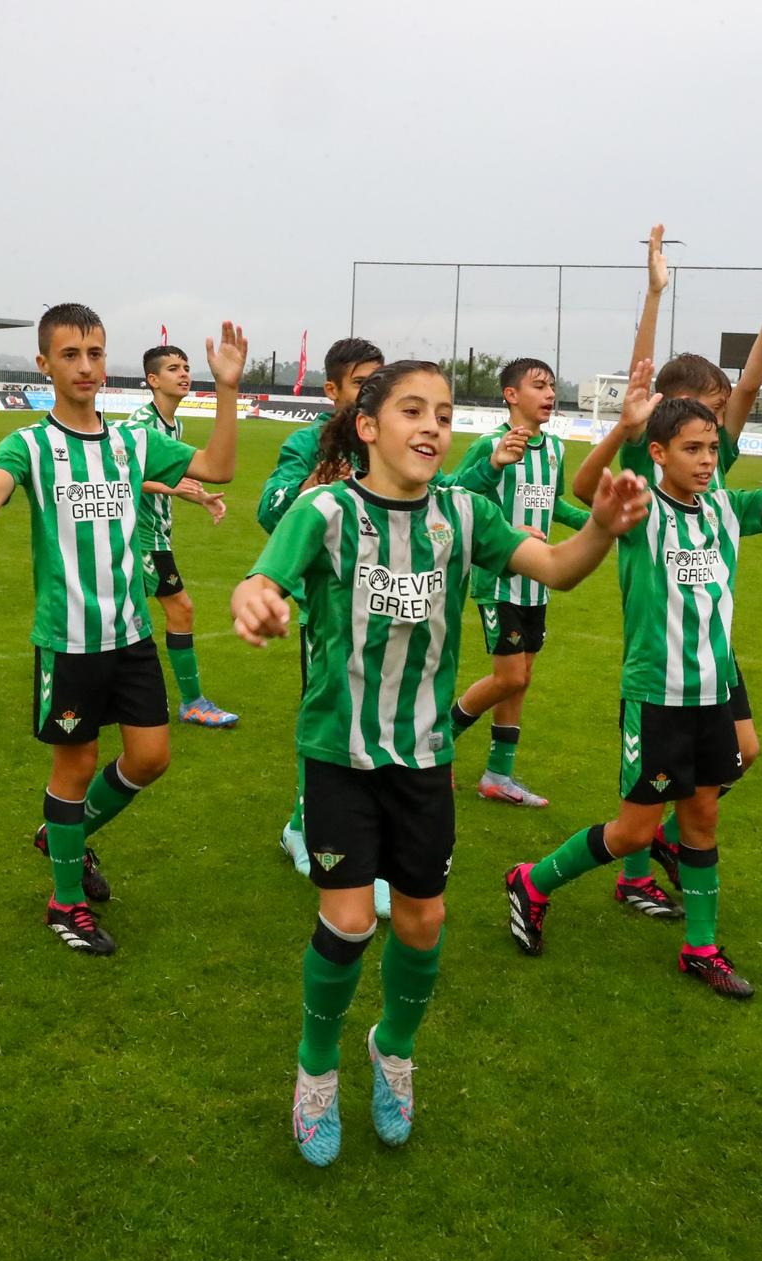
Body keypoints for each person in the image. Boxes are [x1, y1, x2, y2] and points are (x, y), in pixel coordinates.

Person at [231, 360, 650, 1167]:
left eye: (446, 412)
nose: (433, 425)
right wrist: (256, 596)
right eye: (413, 410)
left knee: (423, 921)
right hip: (339, 756)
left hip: (423, 759)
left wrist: (600, 527)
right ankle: (316, 1068)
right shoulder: (324, 511)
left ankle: (394, 1049)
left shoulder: (464, 513)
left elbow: (558, 566)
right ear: (367, 427)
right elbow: (262, 576)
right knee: (350, 920)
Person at [506, 388, 762, 995]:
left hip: (714, 696)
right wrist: (621, 431)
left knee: (703, 819)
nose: (705, 460)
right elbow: (587, 489)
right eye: (691, 449)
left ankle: (700, 947)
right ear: (659, 453)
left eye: (712, 448)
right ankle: (532, 881)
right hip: (656, 696)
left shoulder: (726, 507)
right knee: (635, 834)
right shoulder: (639, 514)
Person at [0, 306, 247, 955]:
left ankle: (63, 837)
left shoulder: (132, 442)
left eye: (94, 352)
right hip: (69, 638)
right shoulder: (26, 444)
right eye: (70, 354)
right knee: (76, 763)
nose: (85, 365)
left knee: (151, 756)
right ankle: (65, 899)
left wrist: (226, 388)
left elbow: (218, 466)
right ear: (44, 364)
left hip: (131, 634)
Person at [569, 230, 762, 916]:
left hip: (712, 649)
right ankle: (641, 865)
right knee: (667, 789)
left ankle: (667, 845)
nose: (720, 417)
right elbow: (642, 375)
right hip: (666, 654)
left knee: (742, 753)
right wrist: (654, 294)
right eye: (707, 406)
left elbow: (753, 384)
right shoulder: (651, 466)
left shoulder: (713, 461)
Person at [255, 337, 385, 876]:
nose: (370, 393)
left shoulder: (387, 441)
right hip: (327, 614)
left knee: (375, 724)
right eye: (361, 383)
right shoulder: (308, 443)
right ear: (331, 389)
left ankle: (370, 832)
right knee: (328, 720)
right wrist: (315, 480)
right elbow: (270, 511)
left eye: (379, 382)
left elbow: (441, 492)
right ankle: (302, 826)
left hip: (388, 607)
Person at [444, 357, 590, 807]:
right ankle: (437, 742)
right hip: (498, 579)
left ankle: (497, 775)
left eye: (551, 386)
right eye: (539, 386)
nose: (550, 394)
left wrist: (601, 522)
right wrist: (507, 525)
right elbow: (454, 492)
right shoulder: (491, 444)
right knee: (508, 676)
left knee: (521, 678)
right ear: (511, 395)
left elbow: (555, 505)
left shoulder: (557, 450)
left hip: (537, 581)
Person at [125, 344, 239, 728]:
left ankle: (107, 694)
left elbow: (174, 477)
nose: (184, 373)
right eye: (174, 368)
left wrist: (202, 497)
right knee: (179, 609)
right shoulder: (139, 424)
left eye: (187, 367)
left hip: (157, 535)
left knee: (126, 615)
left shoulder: (174, 425)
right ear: (153, 380)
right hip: (141, 538)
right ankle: (191, 702)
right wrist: (173, 490)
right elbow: (122, 475)